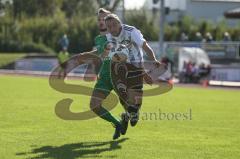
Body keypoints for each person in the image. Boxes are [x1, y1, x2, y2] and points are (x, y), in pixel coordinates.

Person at [104, 13, 161, 138]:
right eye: (109, 27)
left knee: (135, 101)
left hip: (136, 66)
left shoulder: (131, 31)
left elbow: (145, 47)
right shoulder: (108, 38)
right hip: (119, 68)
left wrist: (153, 60)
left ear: (119, 23)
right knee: (125, 97)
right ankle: (130, 113)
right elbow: (111, 56)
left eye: (114, 25)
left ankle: (127, 116)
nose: (112, 29)